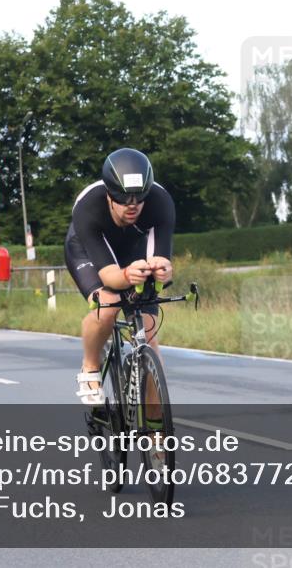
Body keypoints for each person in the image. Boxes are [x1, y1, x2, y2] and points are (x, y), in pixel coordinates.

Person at [64, 148, 174, 404]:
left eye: (139, 199)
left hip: (133, 252)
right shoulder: (89, 206)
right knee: (108, 303)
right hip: (91, 254)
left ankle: (156, 435)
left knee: (148, 336)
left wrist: (163, 269)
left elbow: (162, 258)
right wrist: (127, 274)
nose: (132, 206)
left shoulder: (160, 201)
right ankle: (90, 365)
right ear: (110, 195)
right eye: (124, 200)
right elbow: (112, 277)